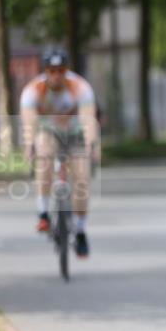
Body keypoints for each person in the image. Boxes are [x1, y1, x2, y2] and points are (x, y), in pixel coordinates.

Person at [19, 47, 99, 258]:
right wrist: (29, 145)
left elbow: (88, 118)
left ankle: (81, 231)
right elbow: (29, 120)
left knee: (82, 179)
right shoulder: (33, 90)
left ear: (67, 70)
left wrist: (91, 144)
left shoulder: (80, 87)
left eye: (61, 70)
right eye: (52, 70)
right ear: (45, 71)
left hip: (75, 135)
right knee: (43, 155)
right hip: (49, 133)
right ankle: (44, 212)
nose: (56, 75)